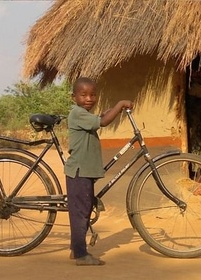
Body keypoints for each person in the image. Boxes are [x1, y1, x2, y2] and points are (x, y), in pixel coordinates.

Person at [64, 77, 133, 266]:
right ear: (74, 97)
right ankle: (80, 255)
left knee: (83, 210)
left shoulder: (85, 115)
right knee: (80, 213)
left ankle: (75, 249)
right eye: (83, 94)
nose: (89, 98)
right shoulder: (78, 113)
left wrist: (110, 111)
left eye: (93, 94)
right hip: (80, 171)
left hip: (84, 170)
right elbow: (102, 123)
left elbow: (101, 117)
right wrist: (119, 105)